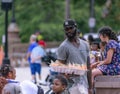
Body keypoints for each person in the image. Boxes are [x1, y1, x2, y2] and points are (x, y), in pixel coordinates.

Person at [56, 19, 90, 94]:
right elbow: (59, 69)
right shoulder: (63, 46)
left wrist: (90, 87)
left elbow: (88, 67)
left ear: (76, 27)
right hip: (71, 87)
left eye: (71, 28)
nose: (68, 31)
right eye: (66, 29)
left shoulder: (85, 44)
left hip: (84, 85)